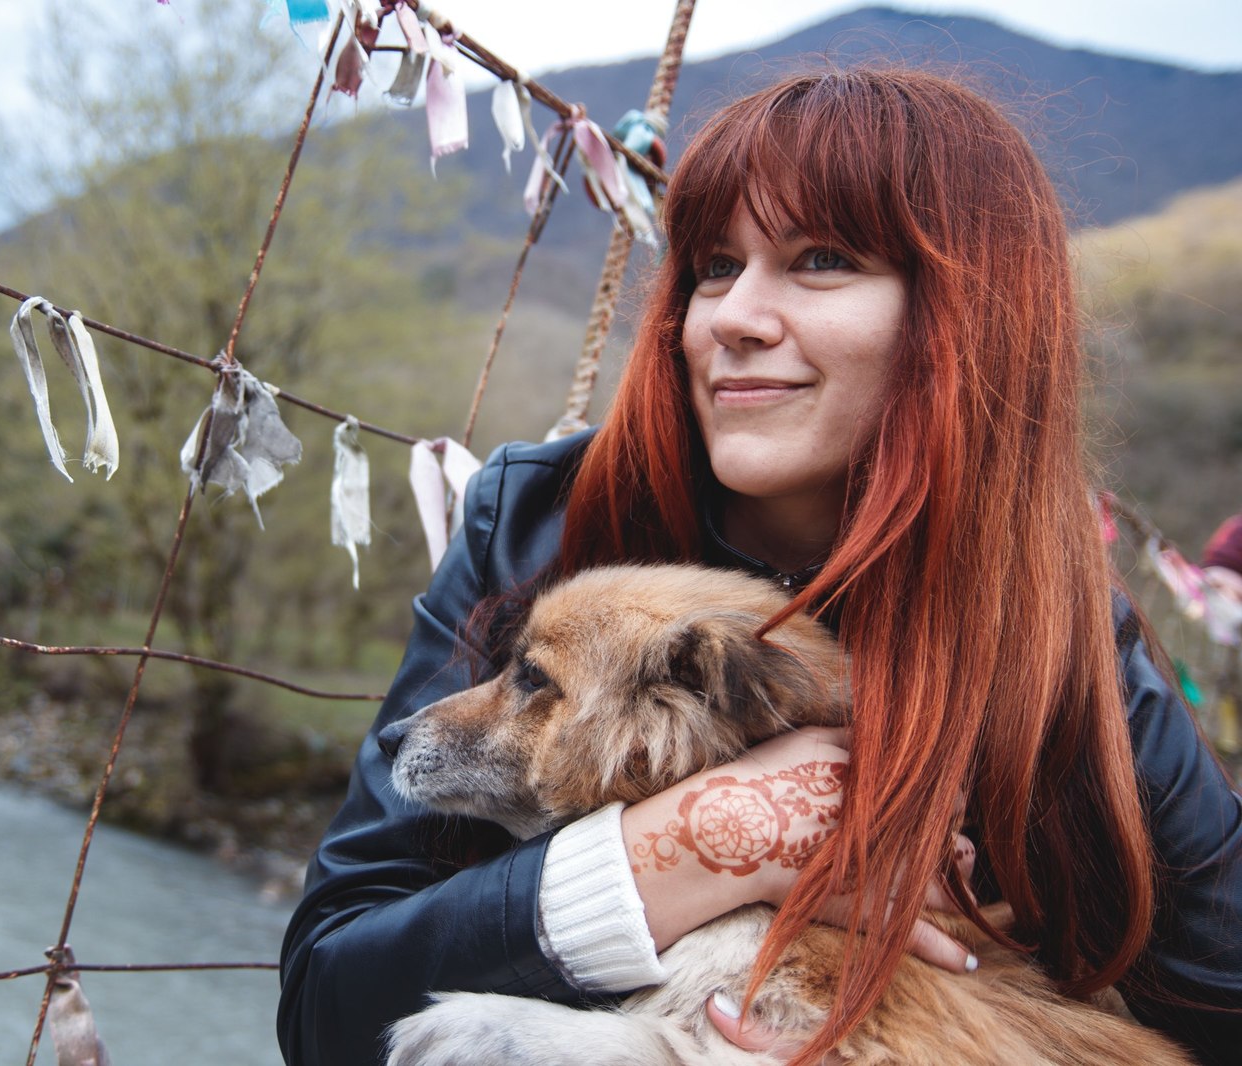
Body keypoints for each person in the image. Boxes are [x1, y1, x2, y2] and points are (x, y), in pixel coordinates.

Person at [277, 67, 1242, 1066]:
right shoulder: (534, 518)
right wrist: (698, 843)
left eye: (821, 259)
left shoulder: (1061, 635)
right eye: (711, 266)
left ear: (965, 320)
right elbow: (326, 1002)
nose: (732, 316)